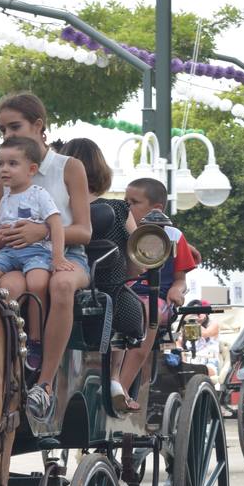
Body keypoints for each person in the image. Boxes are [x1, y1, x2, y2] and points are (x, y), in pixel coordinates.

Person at [0, 92, 92, 423]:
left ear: (38, 126)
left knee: (61, 285)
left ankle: (44, 386)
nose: (9, 136)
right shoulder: (3, 178)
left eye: (14, 126)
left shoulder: (69, 167)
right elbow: (1, 230)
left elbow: (84, 230)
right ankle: (2, 376)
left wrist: (41, 231)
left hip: (67, 254)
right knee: (2, 287)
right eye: (3, 130)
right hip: (18, 256)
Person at [58, 138, 148, 394]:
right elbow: (136, 260)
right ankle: (114, 377)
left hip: (65, 288)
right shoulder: (119, 209)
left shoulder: (57, 210)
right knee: (122, 303)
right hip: (108, 294)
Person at [114, 178, 199, 411]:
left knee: (143, 311)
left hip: (156, 298)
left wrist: (176, 289)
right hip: (127, 292)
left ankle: (120, 387)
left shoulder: (173, 236)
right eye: (125, 201)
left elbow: (181, 279)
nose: (126, 207)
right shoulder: (121, 231)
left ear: (156, 209)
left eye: (133, 202)